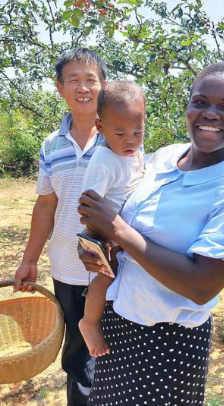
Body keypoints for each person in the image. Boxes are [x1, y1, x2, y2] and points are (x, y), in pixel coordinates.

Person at [77, 62, 224, 406]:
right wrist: (101, 246)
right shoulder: (165, 157)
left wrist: (117, 230)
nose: (210, 114)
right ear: (188, 106)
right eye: (200, 101)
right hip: (118, 322)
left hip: (167, 342)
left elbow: (201, 286)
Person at [13, 47, 107, 406]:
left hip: (112, 271)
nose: (83, 88)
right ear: (60, 88)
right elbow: (46, 204)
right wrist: (29, 259)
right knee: (78, 355)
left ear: (103, 85)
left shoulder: (120, 137)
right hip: (66, 268)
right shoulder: (51, 145)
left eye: (91, 79)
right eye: (74, 80)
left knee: (110, 347)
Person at [79, 81, 146, 358]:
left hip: (124, 236)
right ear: (100, 126)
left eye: (138, 132)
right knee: (105, 278)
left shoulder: (134, 152)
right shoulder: (104, 160)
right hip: (107, 238)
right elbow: (87, 203)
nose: (130, 140)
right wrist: (99, 240)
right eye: (120, 133)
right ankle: (89, 323)